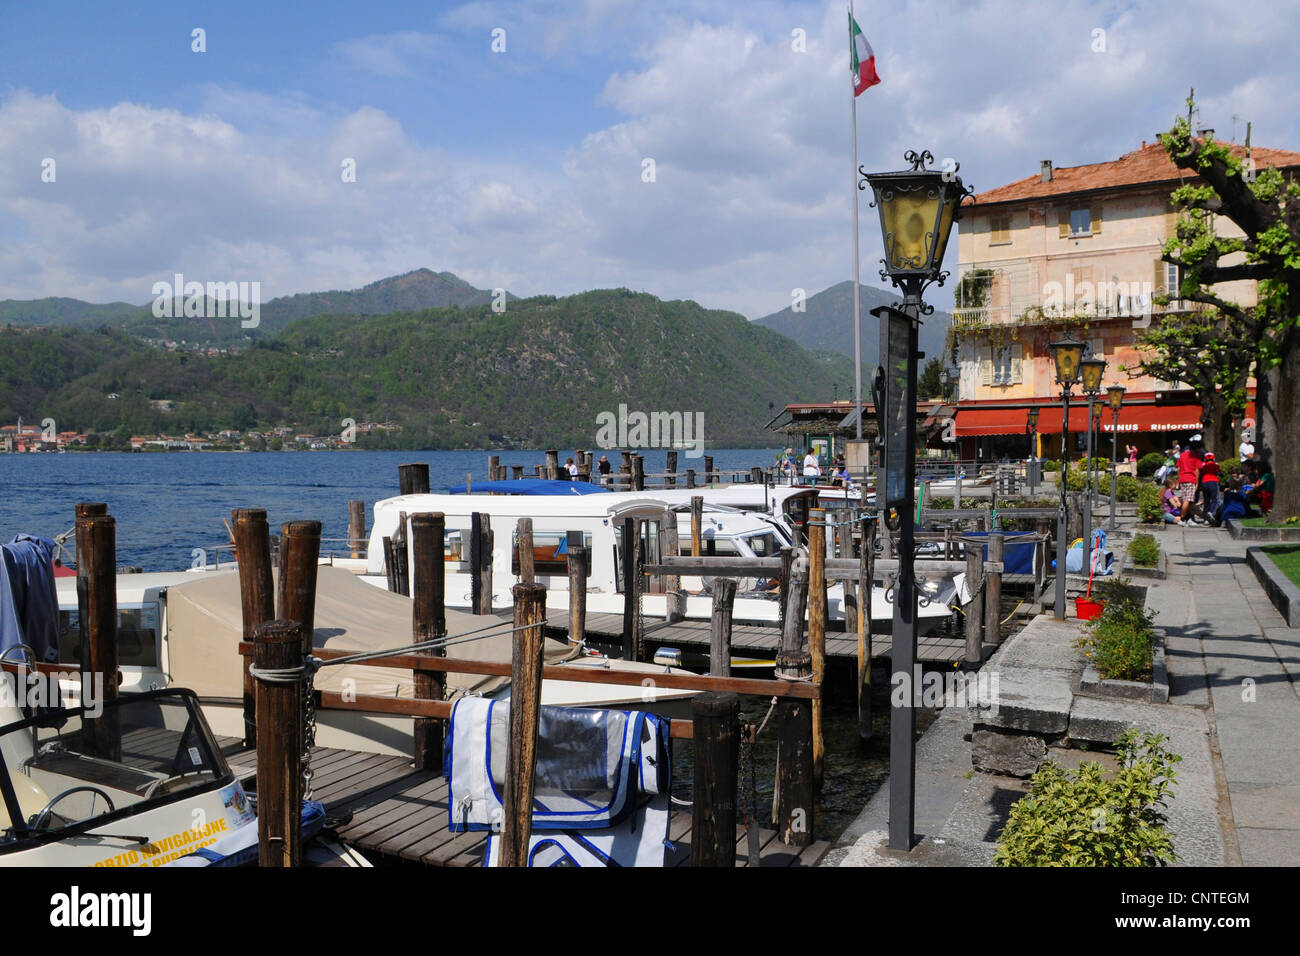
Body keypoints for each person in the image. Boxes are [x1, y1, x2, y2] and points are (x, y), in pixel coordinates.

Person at [1177, 439, 1204, 522]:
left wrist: (1179, 479)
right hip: (1190, 479)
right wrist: (1197, 482)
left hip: (1182, 479)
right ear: (1197, 448)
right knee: (1187, 500)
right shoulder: (1196, 456)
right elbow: (1197, 470)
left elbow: (1178, 467)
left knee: (1186, 498)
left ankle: (1189, 517)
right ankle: (1182, 518)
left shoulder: (1182, 455)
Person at [1198, 451, 1221, 517]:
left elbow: (1200, 474)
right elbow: (1219, 473)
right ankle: (1211, 513)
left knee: (1206, 500)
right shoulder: (1216, 465)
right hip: (1213, 482)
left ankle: (1205, 516)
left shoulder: (1203, 465)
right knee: (1214, 499)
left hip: (1204, 482)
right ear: (1213, 458)